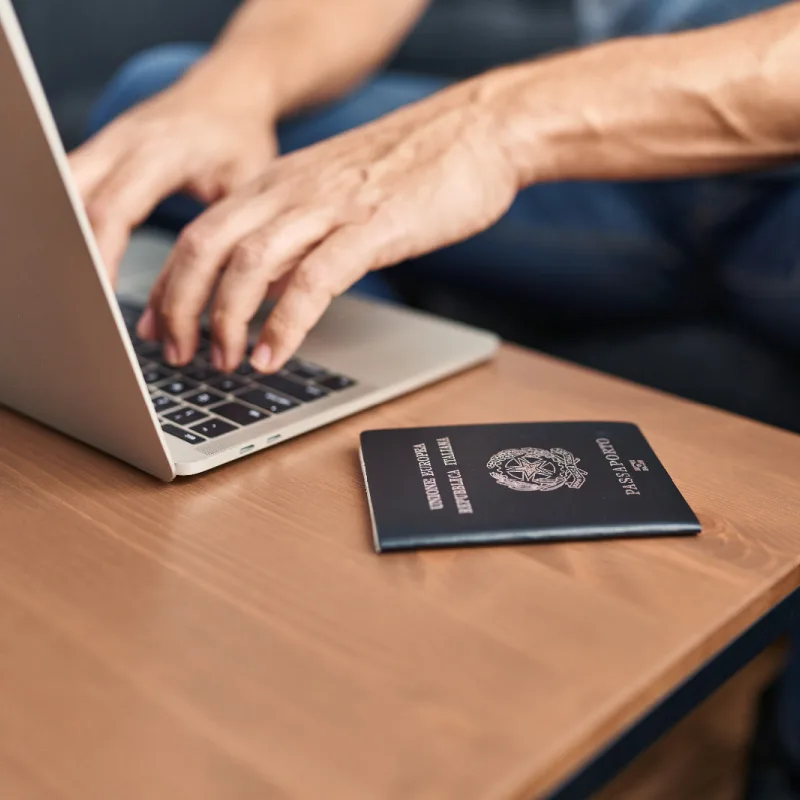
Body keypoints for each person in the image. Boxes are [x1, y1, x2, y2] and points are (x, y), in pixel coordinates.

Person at [70, 2, 799, 797]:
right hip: (640, 129)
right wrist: (232, 88)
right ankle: (313, 513)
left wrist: (488, 128)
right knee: (162, 96)